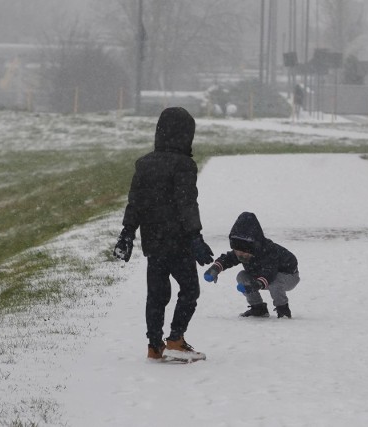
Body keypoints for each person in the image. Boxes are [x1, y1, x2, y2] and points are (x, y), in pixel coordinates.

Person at [113, 107, 214, 361]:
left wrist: (127, 233)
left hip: (154, 241)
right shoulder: (184, 165)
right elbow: (187, 203)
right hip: (178, 241)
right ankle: (176, 339)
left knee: (157, 295)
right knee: (189, 290)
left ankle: (154, 345)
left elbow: (135, 202)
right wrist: (195, 237)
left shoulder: (144, 164)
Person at [203, 212, 299, 318]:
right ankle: (258, 308)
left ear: (253, 248)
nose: (240, 255)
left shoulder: (268, 251)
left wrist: (256, 284)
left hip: (288, 275)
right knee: (242, 276)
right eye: (237, 251)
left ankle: (283, 309)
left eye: (244, 252)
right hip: (261, 275)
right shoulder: (241, 253)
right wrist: (215, 269)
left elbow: (269, 273)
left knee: (274, 282)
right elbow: (227, 259)